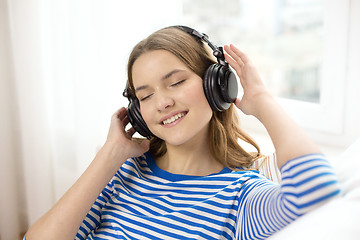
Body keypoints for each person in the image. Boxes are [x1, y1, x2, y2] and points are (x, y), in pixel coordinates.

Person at [25, 26, 341, 240]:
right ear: (137, 111)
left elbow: (315, 192)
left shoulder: (240, 197)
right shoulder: (120, 173)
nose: (162, 102)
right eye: (145, 96)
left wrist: (262, 102)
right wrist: (110, 155)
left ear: (217, 85)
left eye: (176, 82)